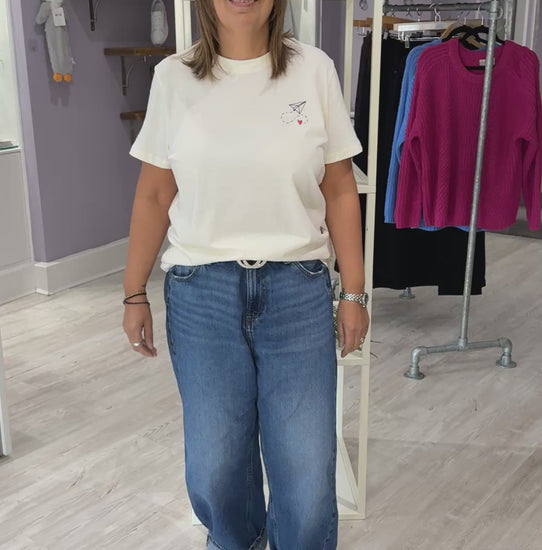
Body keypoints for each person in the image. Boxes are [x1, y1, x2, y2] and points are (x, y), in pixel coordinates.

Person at [122, 0, 369, 548]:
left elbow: (338, 187)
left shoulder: (314, 70)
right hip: (201, 293)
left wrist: (353, 291)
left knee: (307, 478)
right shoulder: (173, 78)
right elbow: (155, 193)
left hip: (297, 289)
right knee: (215, 469)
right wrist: (133, 291)